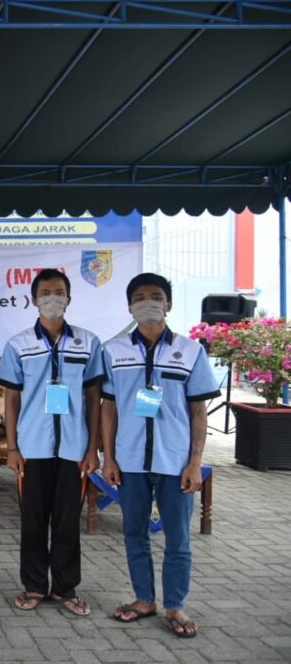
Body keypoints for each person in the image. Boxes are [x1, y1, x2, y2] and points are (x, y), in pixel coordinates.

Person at [101, 273, 219, 638]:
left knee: (178, 538)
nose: (148, 302)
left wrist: (195, 462)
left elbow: (198, 412)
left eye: (156, 296)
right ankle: (143, 599)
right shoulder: (114, 351)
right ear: (129, 306)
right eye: (140, 297)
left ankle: (175, 605)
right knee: (134, 533)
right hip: (131, 461)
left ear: (168, 304)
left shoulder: (191, 350)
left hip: (175, 462)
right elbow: (109, 407)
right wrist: (110, 458)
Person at [0, 268, 105, 616]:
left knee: (67, 520)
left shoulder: (88, 342)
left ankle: (65, 588)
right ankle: (33, 586)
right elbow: (11, 399)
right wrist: (12, 448)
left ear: (69, 299)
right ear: (33, 299)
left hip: (74, 448)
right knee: (33, 519)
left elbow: (94, 398)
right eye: (45, 292)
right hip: (32, 447)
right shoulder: (19, 344)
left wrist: (92, 449)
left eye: (59, 292)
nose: (52, 298)